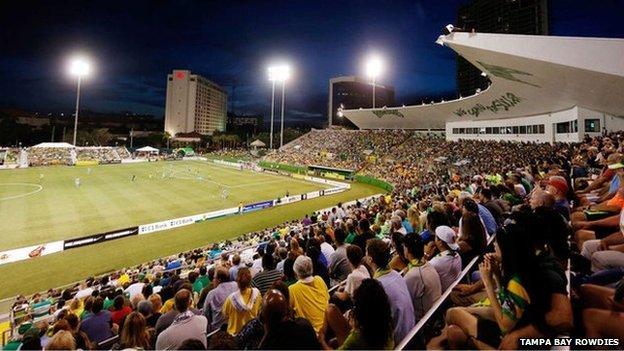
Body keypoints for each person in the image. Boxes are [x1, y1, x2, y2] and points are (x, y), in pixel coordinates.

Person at [320, 279, 394, 350]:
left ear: (361, 309)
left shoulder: (358, 336)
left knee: (330, 309)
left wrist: (322, 342)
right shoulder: (387, 322)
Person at [366, 238, 415, 343]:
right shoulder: (396, 274)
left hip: (399, 339)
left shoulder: (377, 286)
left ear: (370, 259)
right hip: (410, 331)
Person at [403, 233, 442, 321]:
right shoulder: (426, 263)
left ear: (407, 249)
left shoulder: (413, 275)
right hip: (434, 310)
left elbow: (406, 301)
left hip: (425, 320)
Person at [288, 255, 330, 334]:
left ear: (296, 272)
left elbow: (290, 313)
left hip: (312, 334)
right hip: (328, 327)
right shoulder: (319, 279)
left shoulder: (292, 289)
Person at [222, 267, 262, 335]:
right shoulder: (257, 293)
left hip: (235, 335)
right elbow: (259, 310)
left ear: (237, 280)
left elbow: (225, 316)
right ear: (250, 280)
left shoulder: (230, 299)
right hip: (252, 333)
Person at [203, 268, 238, 332]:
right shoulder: (236, 285)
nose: (213, 280)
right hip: (235, 324)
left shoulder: (212, 294)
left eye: (214, 278)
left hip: (218, 330)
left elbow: (205, 313)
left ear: (219, 280)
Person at [429, 225, 462, 292]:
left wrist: (426, 254)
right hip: (455, 288)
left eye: (436, 237)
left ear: (440, 242)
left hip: (448, 296)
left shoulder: (435, 262)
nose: (434, 239)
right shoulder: (457, 254)